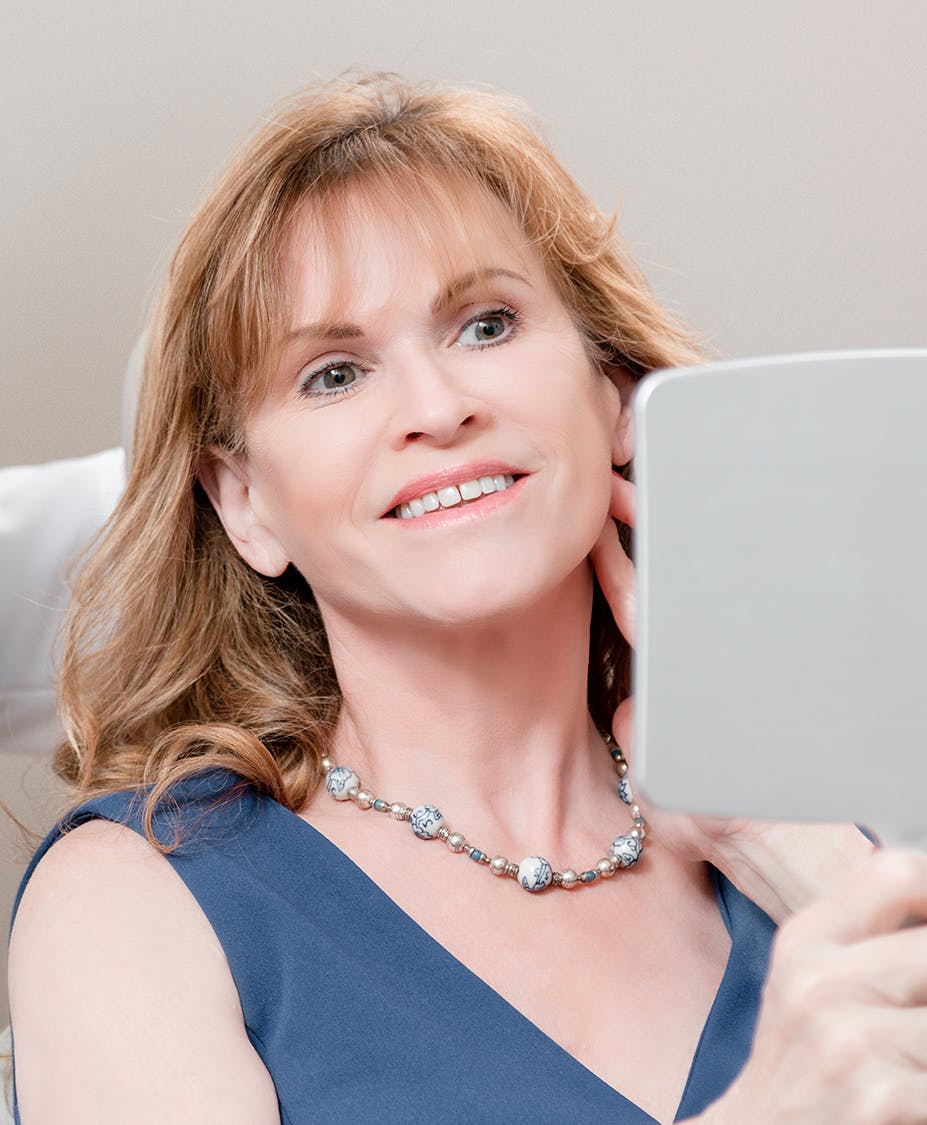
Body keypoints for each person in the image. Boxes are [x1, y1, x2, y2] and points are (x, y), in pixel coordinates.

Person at [7, 74, 927, 1125]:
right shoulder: (136, 903)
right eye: (335, 375)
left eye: (486, 324)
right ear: (247, 503)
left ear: (616, 397)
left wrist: (805, 855)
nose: (439, 409)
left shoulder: (842, 845)